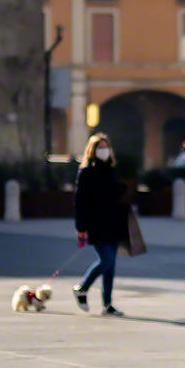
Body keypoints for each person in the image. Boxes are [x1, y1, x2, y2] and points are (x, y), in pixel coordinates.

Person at [72, 133, 127, 316]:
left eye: (105, 146)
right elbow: (81, 201)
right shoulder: (87, 171)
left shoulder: (110, 169)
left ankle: (107, 304)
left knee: (111, 265)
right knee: (106, 260)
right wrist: (81, 228)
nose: (104, 150)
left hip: (113, 222)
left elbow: (112, 194)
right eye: (100, 147)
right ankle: (82, 287)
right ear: (93, 150)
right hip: (96, 223)